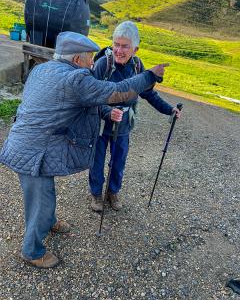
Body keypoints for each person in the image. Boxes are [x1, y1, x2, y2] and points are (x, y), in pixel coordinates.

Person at [0, 31, 168, 268]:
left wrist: (107, 112)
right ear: (77, 60)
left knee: (44, 192)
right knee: (40, 200)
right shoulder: (77, 78)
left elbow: (79, 103)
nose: (93, 62)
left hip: (30, 143)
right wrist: (150, 75)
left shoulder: (43, 69)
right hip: (35, 149)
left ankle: (49, 223)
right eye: (90, 57)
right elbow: (117, 91)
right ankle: (32, 251)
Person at [89, 21, 181, 212]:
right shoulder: (102, 65)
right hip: (100, 123)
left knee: (119, 159)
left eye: (124, 46)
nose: (118, 50)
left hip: (123, 124)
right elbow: (91, 97)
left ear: (135, 49)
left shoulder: (138, 66)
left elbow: (149, 93)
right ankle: (96, 194)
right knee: (96, 160)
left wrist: (169, 109)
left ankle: (113, 192)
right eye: (116, 44)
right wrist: (107, 111)